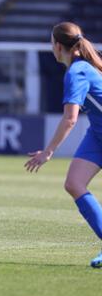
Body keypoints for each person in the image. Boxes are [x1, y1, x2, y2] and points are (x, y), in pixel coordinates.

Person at [25, 21, 102, 267]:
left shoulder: (77, 72)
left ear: (58, 46)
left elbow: (70, 119)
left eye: (51, 43)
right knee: (74, 183)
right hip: (98, 134)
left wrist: (48, 152)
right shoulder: (81, 68)